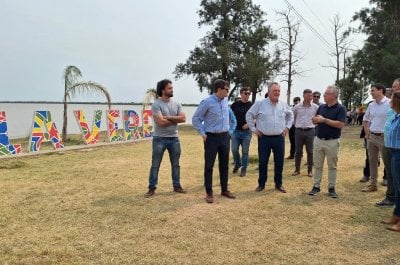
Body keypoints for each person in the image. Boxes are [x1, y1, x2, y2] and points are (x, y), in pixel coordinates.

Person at [192, 79, 236, 203]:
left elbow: (231, 119)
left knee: (224, 165)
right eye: (226, 89)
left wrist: (230, 132)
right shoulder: (207, 102)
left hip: (224, 137)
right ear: (219, 90)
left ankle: (224, 189)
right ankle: (209, 193)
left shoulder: (226, 101)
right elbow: (196, 118)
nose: (228, 91)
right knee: (209, 166)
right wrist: (203, 133)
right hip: (211, 138)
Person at [246, 82, 293, 193]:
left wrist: (287, 127)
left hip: (279, 138)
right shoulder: (260, 104)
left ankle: (278, 184)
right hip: (264, 138)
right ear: (269, 92)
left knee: (279, 162)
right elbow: (249, 115)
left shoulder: (283, 104)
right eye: (274, 91)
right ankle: (261, 184)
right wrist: (253, 129)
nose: (277, 93)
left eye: (278, 91)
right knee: (263, 162)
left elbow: (291, 115)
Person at [145, 79, 187, 197]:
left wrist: (167, 117)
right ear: (163, 90)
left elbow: (183, 119)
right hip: (159, 139)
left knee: (176, 164)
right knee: (155, 164)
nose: (172, 90)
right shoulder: (156, 105)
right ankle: (152, 188)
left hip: (174, 139)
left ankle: (177, 186)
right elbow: (160, 123)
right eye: (169, 88)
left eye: (172, 88)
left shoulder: (177, 104)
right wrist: (175, 119)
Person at [308, 85, 346, 198]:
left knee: (332, 166)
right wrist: (315, 120)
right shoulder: (321, 107)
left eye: (326, 94)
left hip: (332, 142)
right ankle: (316, 186)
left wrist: (324, 120)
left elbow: (340, 124)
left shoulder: (341, 108)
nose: (323, 95)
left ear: (333, 96)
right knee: (317, 165)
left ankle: (331, 188)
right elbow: (316, 120)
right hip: (318, 139)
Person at [361, 84, 390, 192]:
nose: (371, 92)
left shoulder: (390, 103)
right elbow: (366, 119)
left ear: (381, 91)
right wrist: (367, 131)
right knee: (372, 161)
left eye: (373, 90)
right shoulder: (371, 105)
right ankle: (373, 184)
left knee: (388, 163)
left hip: (385, 137)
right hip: (372, 137)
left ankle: (391, 187)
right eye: (370, 90)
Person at [377, 79, 400, 207]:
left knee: (395, 174)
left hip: (396, 146)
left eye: (395, 87)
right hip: (387, 142)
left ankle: (393, 198)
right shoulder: (393, 104)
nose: (392, 89)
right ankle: (391, 197)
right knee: (390, 172)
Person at [382, 91, 400, 232]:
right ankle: (396, 216)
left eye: (391, 99)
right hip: (394, 153)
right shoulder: (396, 116)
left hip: (399, 154)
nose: (389, 101)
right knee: (397, 186)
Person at [291, 89, 319, 177]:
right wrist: (297, 125)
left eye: (311, 96)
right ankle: (297, 170)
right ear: (304, 96)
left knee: (310, 151)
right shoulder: (297, 107)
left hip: (310, 131)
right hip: (299, 131)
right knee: (298, 151)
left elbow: (318, 118)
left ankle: (310, 171)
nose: (311, 97)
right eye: (309, 96)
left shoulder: (315, 107)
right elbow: (293, 118)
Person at [231, 87, 253, 177]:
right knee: (234, 149)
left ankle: (244, 168)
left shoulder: (252, 105)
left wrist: (248, 124)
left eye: (249, 94)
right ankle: (237, 163)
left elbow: (256, 117)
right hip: (235, 131)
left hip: (247, 132)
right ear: (241, 94)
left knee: (245, 151)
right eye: (245, 93)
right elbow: (229, 116)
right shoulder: (235, 105)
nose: (247, 95)